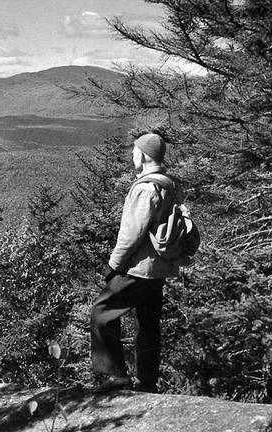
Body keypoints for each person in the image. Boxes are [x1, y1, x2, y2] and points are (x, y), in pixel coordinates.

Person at [90, 133, 181, 393]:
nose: (132, 156)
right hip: (160, 269)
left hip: (138, 269)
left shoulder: (145, 188)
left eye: (134, 152)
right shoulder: (170, 183)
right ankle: (148, 381)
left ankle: (115, 374)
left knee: (101, 312)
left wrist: (114, 265)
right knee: (148, 325)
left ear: (143, 155)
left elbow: (131, 234)